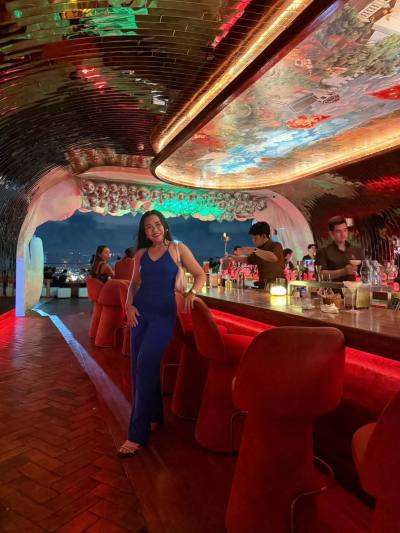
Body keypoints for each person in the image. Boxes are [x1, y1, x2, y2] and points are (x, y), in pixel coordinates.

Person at [118, 210, 206, 457]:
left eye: (157, 224)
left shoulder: (178, 249)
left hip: (164, 315)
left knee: (145, 363)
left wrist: (192, 293)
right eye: (148, 227)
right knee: (139, 367)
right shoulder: (141, 254)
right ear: (144, 232)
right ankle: (155, 416)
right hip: (139, 314)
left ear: (164, 226)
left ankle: (136, 434)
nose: (154, 229)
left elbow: (200, 274)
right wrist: (128, 305)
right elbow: (134, 284)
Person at [233, 221, 284, 288]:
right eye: (252, 238)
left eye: (255, 238)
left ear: (264, 236)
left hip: (277, 286)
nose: (253, 240)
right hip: (263, 286)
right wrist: (232, 258)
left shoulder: (276, 245)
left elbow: (273, 258)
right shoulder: (259, 250)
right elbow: (247, 260)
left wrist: (252, 250)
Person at [316, 216, 364, 281]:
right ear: (331, 233)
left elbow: (364, 270)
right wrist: (343, 272)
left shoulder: (357, 250)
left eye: (345, 230)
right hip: (333, 287)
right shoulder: (323, 252)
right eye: (338, 231)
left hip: (356, 286)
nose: (343, 234)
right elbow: (319, 274)